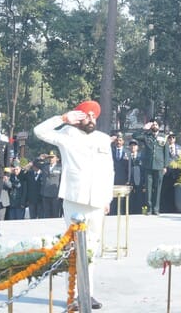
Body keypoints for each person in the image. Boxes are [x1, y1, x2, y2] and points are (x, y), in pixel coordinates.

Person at [34, 100, 114, 310]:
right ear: (78, 118)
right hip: (75, 197)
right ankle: (74, 294)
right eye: (86, 116)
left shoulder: (103, 139)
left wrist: (107, 198)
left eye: (94, 116)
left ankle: (88, 293)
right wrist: (62, 119)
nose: (91, 119)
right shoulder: (67, 134)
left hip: (98, 200)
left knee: (92, 249)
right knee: (75, 249)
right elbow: (39, 131)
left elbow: (109, 170)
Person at [131, 119, 167, 215]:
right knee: (148, 188)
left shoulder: (163, 137)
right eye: (153, 124)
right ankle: (149, 208)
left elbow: (166, 152)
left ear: (159, 126)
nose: (154, 126)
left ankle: (156, 209)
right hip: (148, 165)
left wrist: (165, 166)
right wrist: (144, 128)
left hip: (159, 165)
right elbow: (134, 136)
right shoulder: (146, 136)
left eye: (156, 124)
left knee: (158, 188)